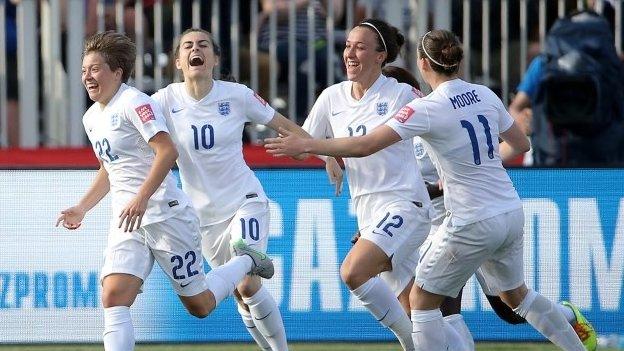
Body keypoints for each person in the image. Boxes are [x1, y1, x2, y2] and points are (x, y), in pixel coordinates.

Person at [265, 29, 597, 351]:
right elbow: (521, 143)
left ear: (423, 65)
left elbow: (367, 145)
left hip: (464, 221)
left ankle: (564, 316)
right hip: (505, 210)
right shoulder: (484, 93)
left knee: (427, 303)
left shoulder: (423, 110)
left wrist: (312, 145)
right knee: (510, 301)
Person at [56, 31, 274, 351]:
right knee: (114, 295)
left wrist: (142, 198)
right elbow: (110, 168)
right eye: (84, 70)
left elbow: (167, 151)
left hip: (164, 214)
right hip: (128, 221)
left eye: (96, 68)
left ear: (117, 72)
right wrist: (82, 207)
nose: (88, 76)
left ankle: (246, 261)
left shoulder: (135, 103)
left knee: (200, 305)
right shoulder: (91, 117)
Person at [151, 28, 320, 351]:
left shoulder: (237, 95)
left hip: (245, 200)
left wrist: (319, 151)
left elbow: (286, 127)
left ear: (215, 58)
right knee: (245, 293)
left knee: (245, 277)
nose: (195, 50)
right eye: (187, 46)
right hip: (204, 219)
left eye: (203, 45)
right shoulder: (163, 101)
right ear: (177, 62)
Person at [298, 19, 434, 351]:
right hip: (369, 215)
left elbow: (366, 145)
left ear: (380, 55)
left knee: (353, 272)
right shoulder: (332, 97)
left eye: (360, 47)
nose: (350, 53)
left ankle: (409, 345)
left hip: (406, 205)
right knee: (417, 310)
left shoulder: (402, 94)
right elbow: (306, 143)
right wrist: (327, 156)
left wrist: (325, 148)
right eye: (347, 46)